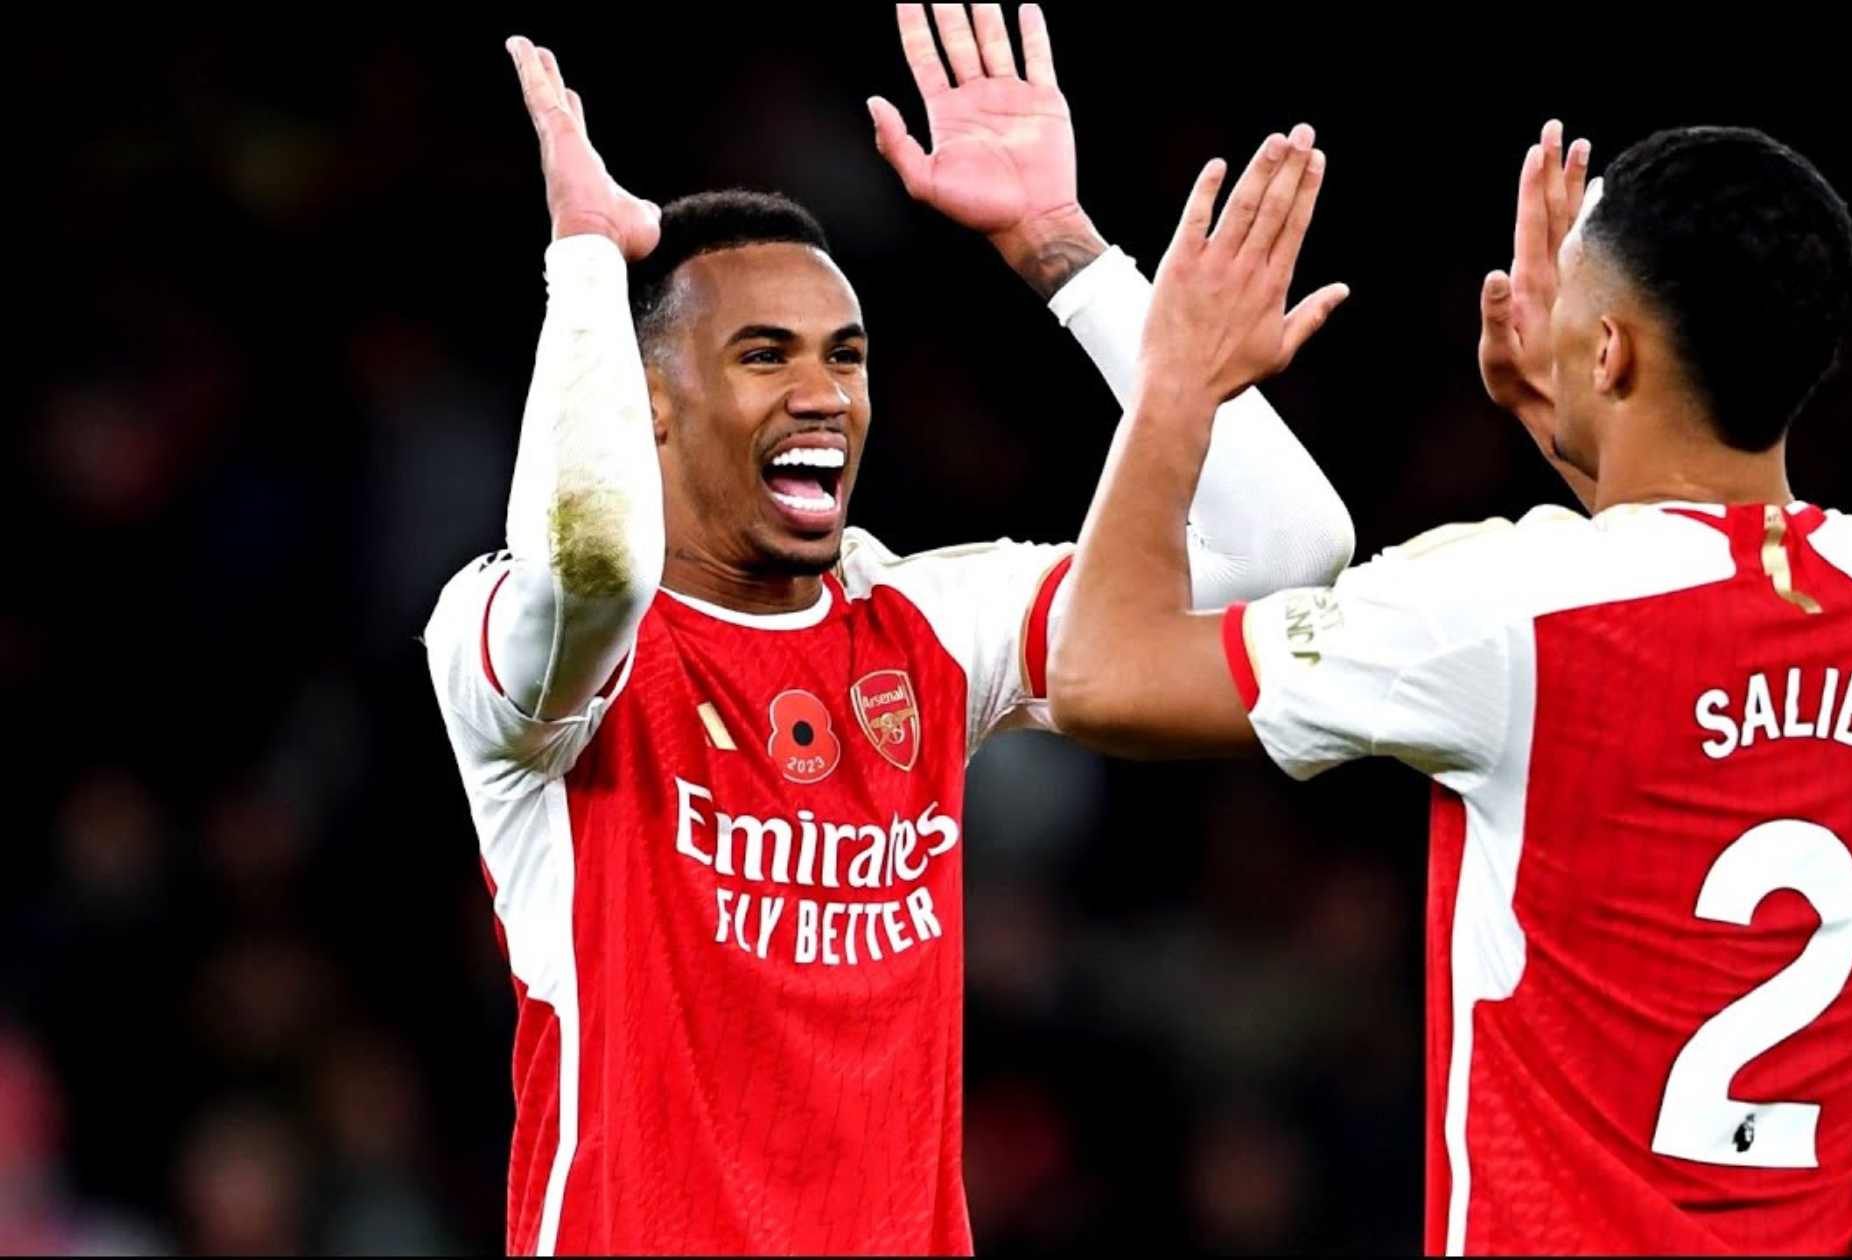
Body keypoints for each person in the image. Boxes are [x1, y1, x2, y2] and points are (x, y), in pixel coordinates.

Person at [420, 7, 1353, 1255]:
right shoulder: (525, 658)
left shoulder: (923, 628)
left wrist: (1063, 255)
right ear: (649, 406)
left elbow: (1284, 555)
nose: (822, 395)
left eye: (845, 357)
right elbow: (588, 567)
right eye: (763, 356)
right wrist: (586, 268)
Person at [1049, 118, 1852, 1255]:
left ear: (1608, 351)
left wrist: (1175, 384)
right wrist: (1574, 419)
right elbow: (1692, 621)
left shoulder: (1502, 606)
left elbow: (1102, 671)